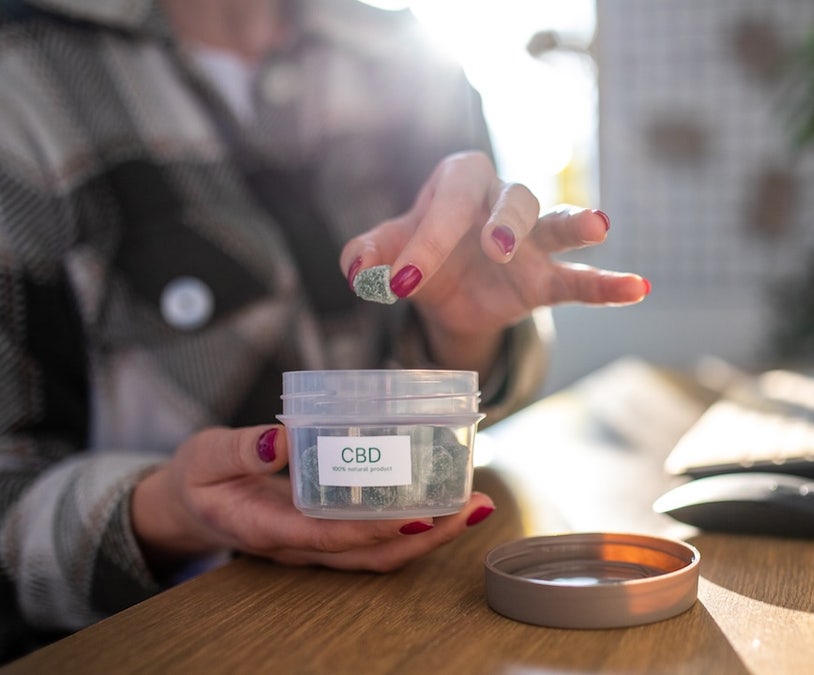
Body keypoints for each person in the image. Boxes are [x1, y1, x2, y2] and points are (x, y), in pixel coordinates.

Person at [0, 0, 647, 660]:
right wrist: (166, 510)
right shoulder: (23, 78)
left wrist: (463, 336)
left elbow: (477, 408)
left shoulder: (415, 58)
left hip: (429, 623)